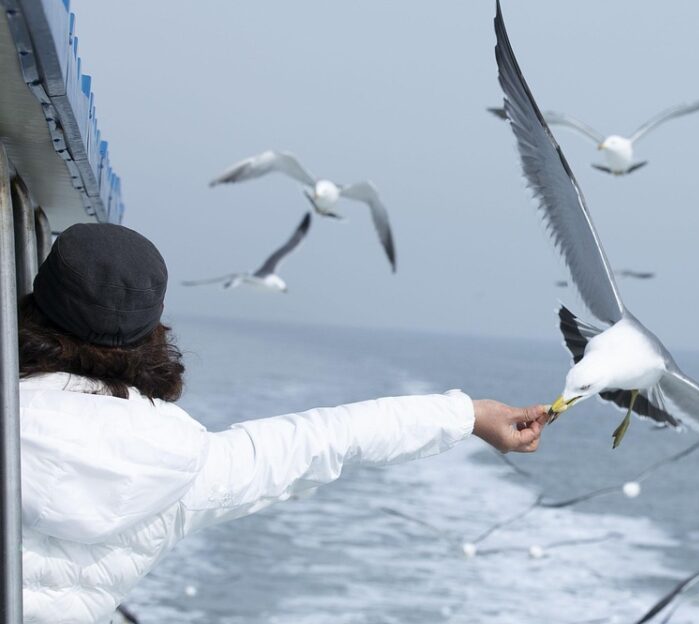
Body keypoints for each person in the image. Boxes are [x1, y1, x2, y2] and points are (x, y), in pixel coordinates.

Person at [16, 223, 549, 624]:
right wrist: (470, 415)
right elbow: (330, 438)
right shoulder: (188, 467)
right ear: (151, 333)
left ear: (32, 307)